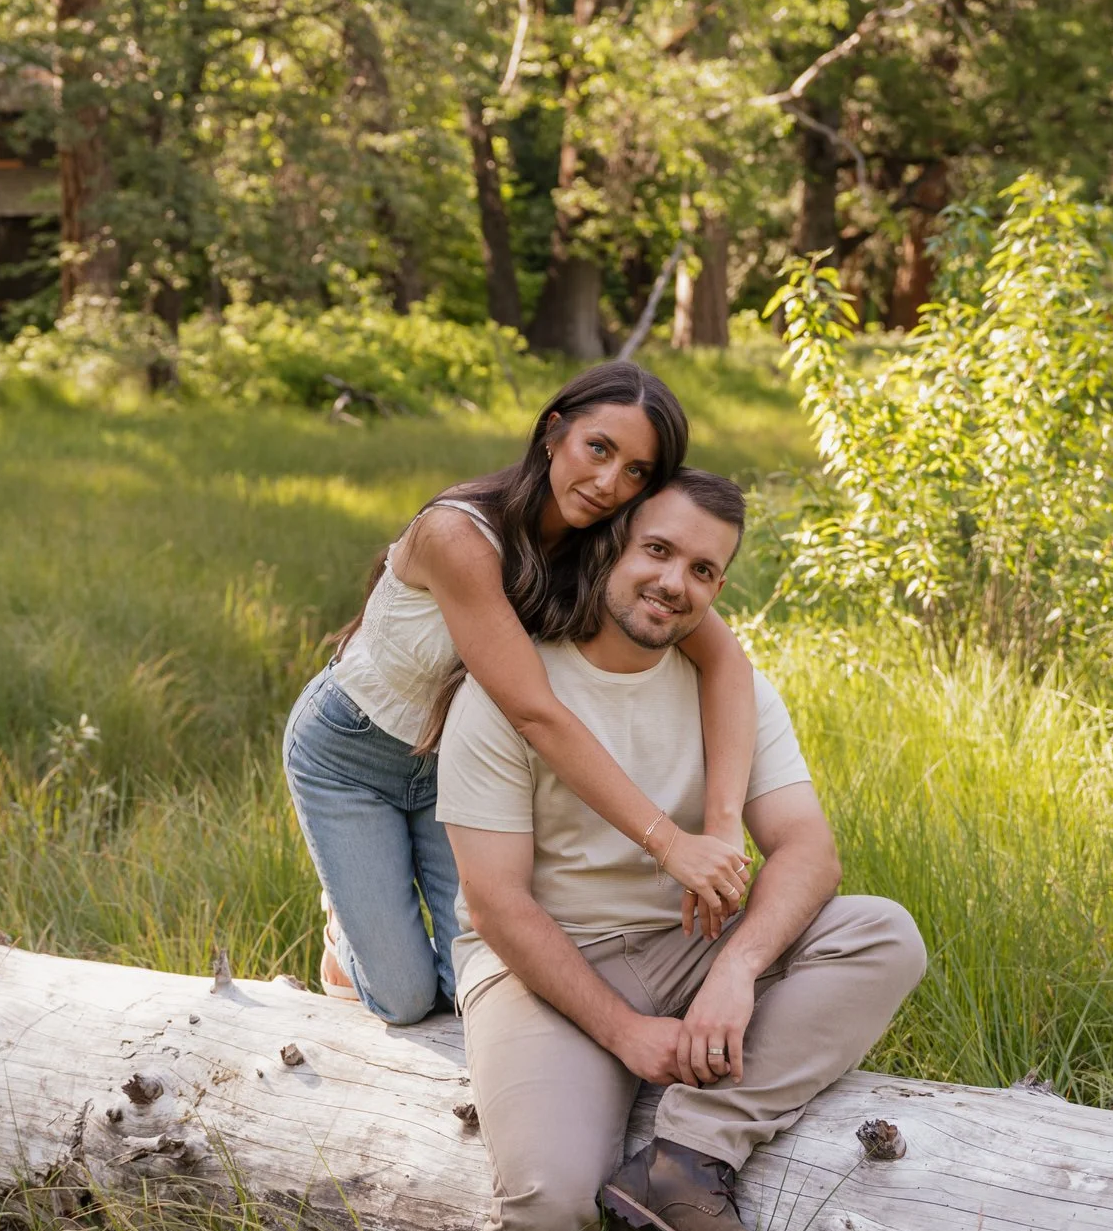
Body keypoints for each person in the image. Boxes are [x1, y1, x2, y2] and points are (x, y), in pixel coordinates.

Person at [440, 469, 928, 1231]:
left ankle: (686, 1158)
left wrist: (738, 969)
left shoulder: (731, 689)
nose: (675, 582)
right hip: (545, 968)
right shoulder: (510, 694)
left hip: (693, 945)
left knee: (881, 930)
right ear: (611, 548)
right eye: (657, 551)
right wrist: (627, 1032)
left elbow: (808, 850)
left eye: (704, 570)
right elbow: (497, 904)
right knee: (547, 1199)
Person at [281, 362, 760, 1027]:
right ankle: (344, 939)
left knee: (475, 985)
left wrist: (722, 824)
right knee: (406, 999)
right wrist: (667, 842)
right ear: (553, 432)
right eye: (599, 448)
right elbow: (535, 713)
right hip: (352, 755)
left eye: (637, 472)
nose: (608, 483)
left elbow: (729, 663)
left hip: (456, 771)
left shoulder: (607, 551)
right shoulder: (460, 536)